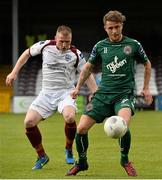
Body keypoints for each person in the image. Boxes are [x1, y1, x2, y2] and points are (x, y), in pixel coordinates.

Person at [66, 10, 153, 177]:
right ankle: (82, 162)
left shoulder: (133, 44)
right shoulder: (100, 46)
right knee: (81, 128)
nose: (114, 31)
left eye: (117, 27)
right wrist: (77, 87)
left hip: (124, 95)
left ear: (122, 26)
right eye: (111, 28)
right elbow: (87, 68)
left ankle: (125, 160)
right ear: (105, 28)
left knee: (122, 125)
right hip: (103, 94)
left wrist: (146, 88)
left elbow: (147, 64)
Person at [6, 25, 97, 170]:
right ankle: (42, 156)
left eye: (67, 41)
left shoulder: (75, 53)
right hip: (46, 93)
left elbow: (86, 72)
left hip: (66, 93)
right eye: (61, 41)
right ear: (55, 38)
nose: (64, 45)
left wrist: (95, 91)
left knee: (70, 117)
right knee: (29, 122)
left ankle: (68, 149)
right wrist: (14, 72)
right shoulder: (45, 45)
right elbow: (27, 53)